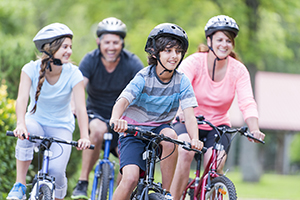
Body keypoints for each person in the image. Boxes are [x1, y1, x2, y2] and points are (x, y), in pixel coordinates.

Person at [169, 15, 266, 200]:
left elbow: (247, 101)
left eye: (228, 40)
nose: (224, 44)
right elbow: (179, 88)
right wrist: (181, 111)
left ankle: (206, 193)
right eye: (219, 39)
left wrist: (254, 129)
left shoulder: (238, 70)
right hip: (188, 120)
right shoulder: (194, 62)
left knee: (215, 163)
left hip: (218, 125)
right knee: (185, 152)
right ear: (209, 40)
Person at [109, 23, 204, 200]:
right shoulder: (144, 77)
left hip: (159, 128)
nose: (174, 56)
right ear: (155, 53)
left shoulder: (181, 81)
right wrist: (116, 119)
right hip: (133, 131)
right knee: (130, 179)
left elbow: (189, 115)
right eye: (168, 51)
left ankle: (166, 193)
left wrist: (195, 139)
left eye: (178, 51)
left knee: (171, 136)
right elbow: (122, 101)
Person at [6, 23, 91, 200]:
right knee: (28, 131)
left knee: (57, 172)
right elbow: (21, 100)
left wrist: (84, 136)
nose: (69, 51)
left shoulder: (74, 73)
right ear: (51, 48)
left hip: (62, 127)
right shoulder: (30, 69)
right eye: (64, 47)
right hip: (36, 122)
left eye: (70, 47)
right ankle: (20, 184)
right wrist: (20, 124)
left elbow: (81, 108)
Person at [71, 17, 144, 200]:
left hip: (122, 119)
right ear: (99, 42)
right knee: (97, 130)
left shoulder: (132, 63)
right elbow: (79, 88)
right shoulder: (90, 60)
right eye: (107, 42)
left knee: (129, 158)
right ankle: (83, 181)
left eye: (115, 42)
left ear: (122, 43)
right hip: (96, 113)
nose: (111, 47)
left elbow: (143, 91)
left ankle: (121, 192)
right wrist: (73, 105)